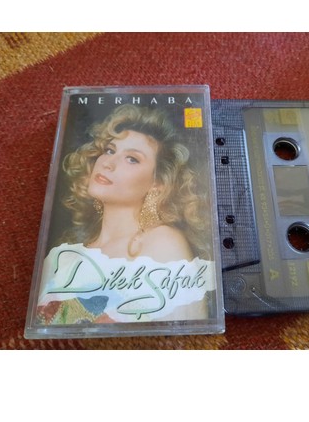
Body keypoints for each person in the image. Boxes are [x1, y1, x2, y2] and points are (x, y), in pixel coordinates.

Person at [36, 105, 215, 325]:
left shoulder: (162, 243)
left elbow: (186, 338)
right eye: (110, 150)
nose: (107, 162)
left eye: (132, 159)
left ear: (157, 184)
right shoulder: (66, 255)